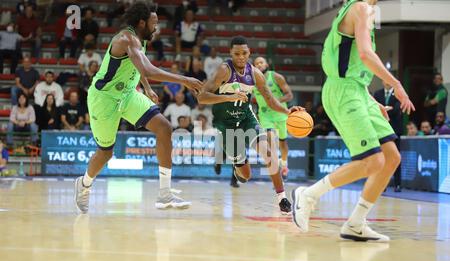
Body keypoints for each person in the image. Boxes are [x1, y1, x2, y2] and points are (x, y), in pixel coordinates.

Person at [291, 0, 415, 242]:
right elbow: (365, 55)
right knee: (372, 161)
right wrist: (396, 83)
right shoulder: (361, 8)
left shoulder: (361, 10)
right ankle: (308, 194)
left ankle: (356, 223)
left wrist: (370, 99)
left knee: (391, 158)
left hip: (358, 90)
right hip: (344, 92)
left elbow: (351, 64)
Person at [74, 1, 203, 214]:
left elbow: (139, 68)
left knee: (163, 127)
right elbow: (148, 68)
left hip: (127, 94)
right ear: (142, 22)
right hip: (104, 98)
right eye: (155, 22)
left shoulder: (139, 39)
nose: (157, 27)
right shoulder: (125, 39)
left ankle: (164, 192)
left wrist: (147, 88)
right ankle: (84, 184)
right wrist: (185, 79)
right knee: (105, 153)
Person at [198, 36, 302, 215]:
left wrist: (288, 112)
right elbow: (202, 97)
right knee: (246, 175)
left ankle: (282, 198)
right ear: (230, 53)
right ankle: (237, 168)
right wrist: (228, 97)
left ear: (249, 53)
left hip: (247, 119)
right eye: (236, 53)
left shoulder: (255, 73)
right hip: (226, 125)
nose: (240, 57)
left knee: (268, 152)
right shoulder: (224, 70)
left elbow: (270, 100)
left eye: (244, 53)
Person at [253, 56, 293, 179]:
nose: (259, 64)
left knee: (283, 143)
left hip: (280, 113)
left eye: (261, 62)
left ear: (266, 65)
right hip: (265, 114)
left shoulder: (276, 77)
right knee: (270, 137)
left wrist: (276, 101)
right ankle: (276, 168)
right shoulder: (252, 81)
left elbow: (289, 95)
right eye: (256, 63)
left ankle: (284, 164)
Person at [374, 80, 402, 192]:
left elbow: (396, 110)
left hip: (395, 130)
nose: (387, 82)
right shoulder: (377, 94)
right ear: (382, 81)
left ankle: (398, 184)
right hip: (380, 130)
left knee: (396, 157)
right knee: (381, 158)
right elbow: (374, 109)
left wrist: (383, 110)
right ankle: (382, 184)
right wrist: (383, 109)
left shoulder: (398, 93)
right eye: (385, 80)